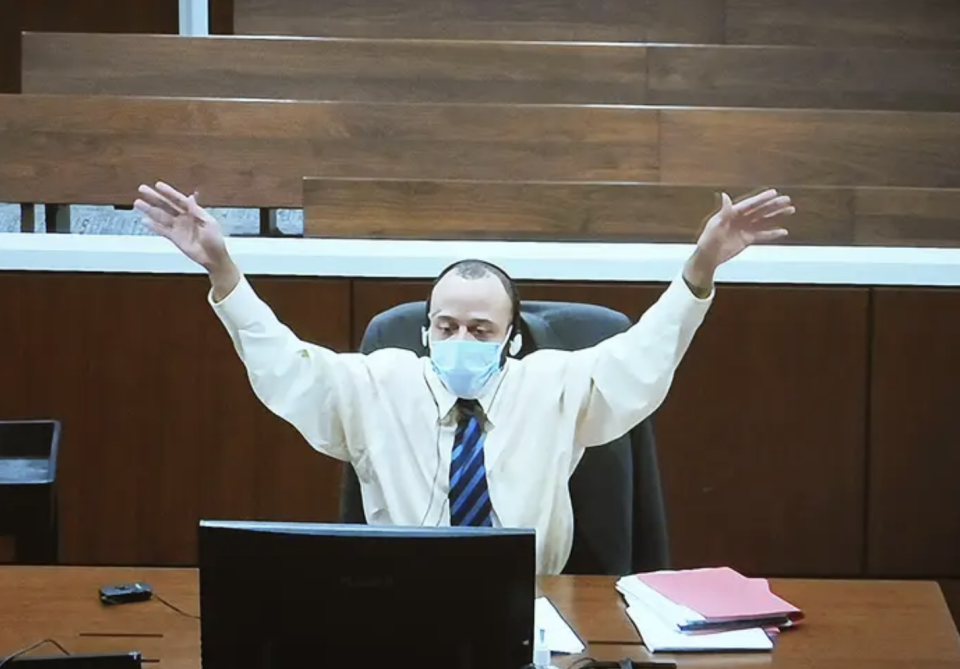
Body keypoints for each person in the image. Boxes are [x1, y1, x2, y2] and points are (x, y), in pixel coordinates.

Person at [134, 181, 794, 574]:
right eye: (446, 325)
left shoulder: (555, 385)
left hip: (535, 612)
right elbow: (282, 361)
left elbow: (645, 354)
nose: (460, 340)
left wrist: (702, 266)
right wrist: (224, 271)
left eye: (480, 330)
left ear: (511, 337)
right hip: (401, 617)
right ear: (424, 332)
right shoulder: (375, 384)